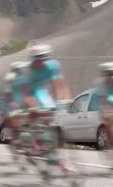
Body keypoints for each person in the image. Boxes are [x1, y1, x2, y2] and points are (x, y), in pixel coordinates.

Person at [22, 44, 74, 172]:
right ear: (33, 59)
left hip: (42, 92)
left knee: (50, 119)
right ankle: (33, 143)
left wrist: (64, 101)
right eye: (38, 59)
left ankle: (53, 153)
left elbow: (59, 84)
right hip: (29, 93)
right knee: (36, 115)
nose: (42, 62)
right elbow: (26, 94)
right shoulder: (27, 71)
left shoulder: (53, 65)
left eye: (44, 59)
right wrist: (33, 108)